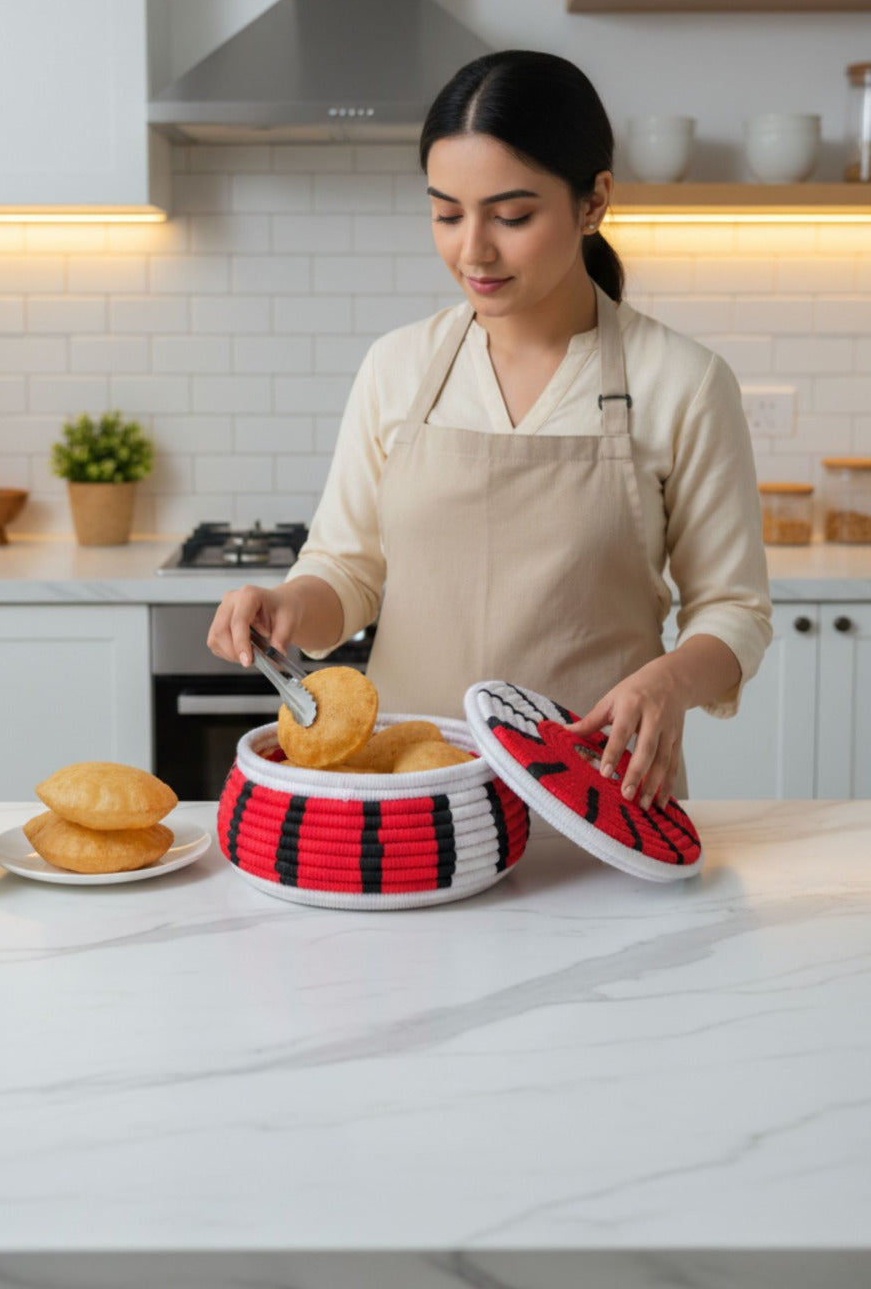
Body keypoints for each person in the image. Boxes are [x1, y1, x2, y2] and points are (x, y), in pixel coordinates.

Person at [208, 50, 773, 813]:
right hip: (413, 803)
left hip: (599, 809)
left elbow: (733, 610)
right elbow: (349, 569)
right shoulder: (396, 367)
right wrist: (288, 605)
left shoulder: (683, 382)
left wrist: (670, 679)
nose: (472, 249)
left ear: (593, 201)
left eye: (511, 216)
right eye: (446, 214)